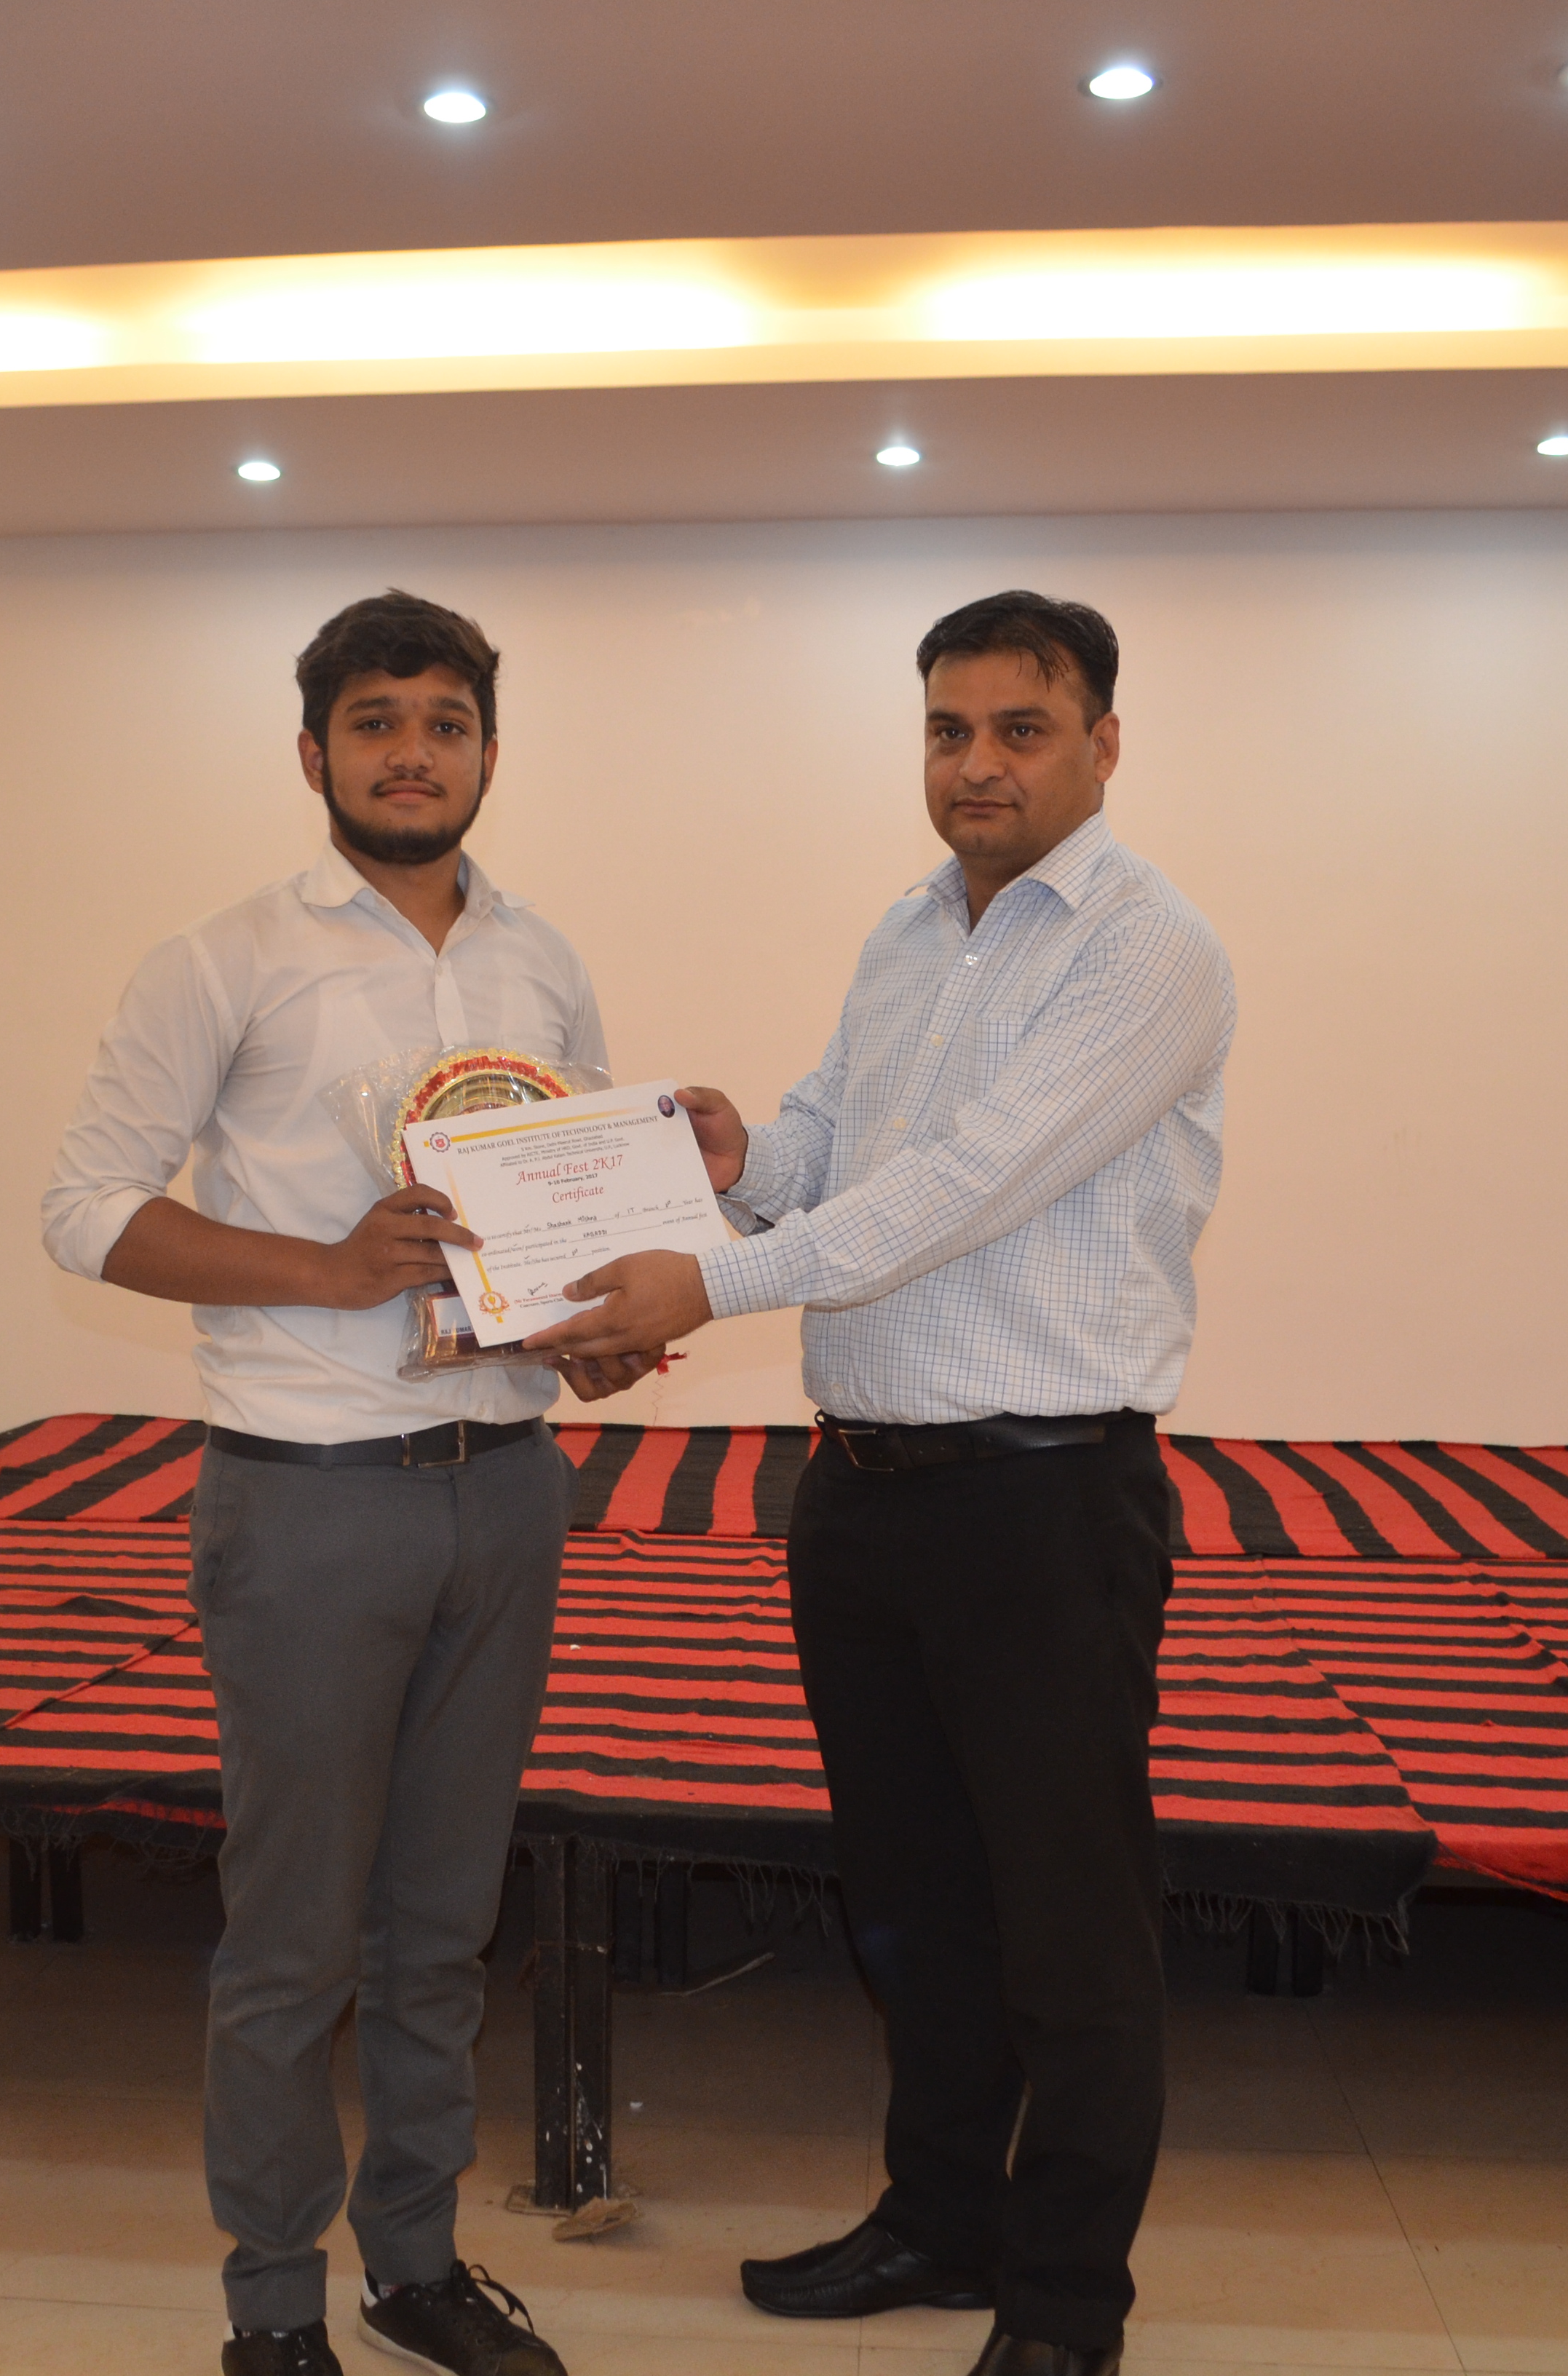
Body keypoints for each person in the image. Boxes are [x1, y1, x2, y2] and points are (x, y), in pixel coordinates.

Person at [530, 592, 1236, 2376]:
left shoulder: (1151, 949)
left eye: (1020, 729)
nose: (977, 764)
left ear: (1102, 744)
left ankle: (1065, 2311)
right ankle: (939, 2223)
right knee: (912, 1905)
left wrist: (712, 1276)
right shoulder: (911, 928)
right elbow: (846, 1146)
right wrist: (738, 1157)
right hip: (862, 1495)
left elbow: (967, 1188)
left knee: (1069, 1932)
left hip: (1043, 1502)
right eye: (947, 730)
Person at [44, 591, 630, 2376]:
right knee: (294, 1936)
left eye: (444, 723)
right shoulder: (220, 958)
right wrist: (327, 1266)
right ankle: (271, 2303)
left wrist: (589, 1328)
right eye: (375, 721)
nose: (410, 753)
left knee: (444, 1923)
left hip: (506, 1485)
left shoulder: (542, 963)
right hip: (306, 1494)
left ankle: (416, 2268)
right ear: (313, 754)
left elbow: (561, 1203)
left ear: (489, 753)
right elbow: (84, 1210)